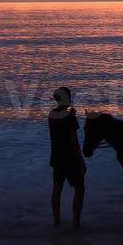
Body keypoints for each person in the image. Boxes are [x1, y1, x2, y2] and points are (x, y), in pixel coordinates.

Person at [48, 86, 86, 228]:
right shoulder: (70, 117)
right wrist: (81, 162)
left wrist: (71, 113)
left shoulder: (51, 115)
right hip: (70, 159)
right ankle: (76, 222)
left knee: (57, 189)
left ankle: (57, 220)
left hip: (56, 158)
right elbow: (74, 142)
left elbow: (61, 115)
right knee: (79, 188)